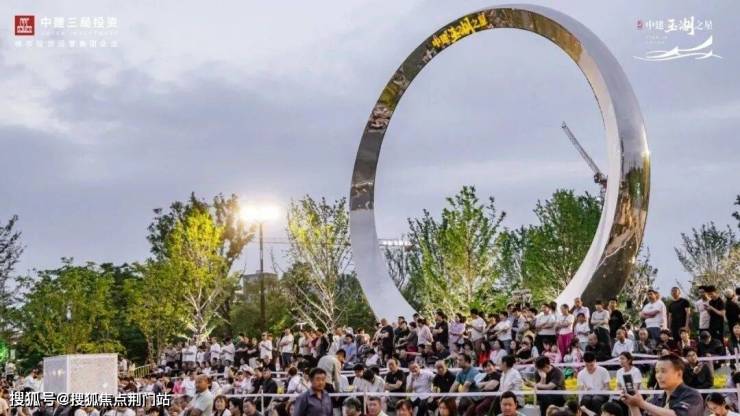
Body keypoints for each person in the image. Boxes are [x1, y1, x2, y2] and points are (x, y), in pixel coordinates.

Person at [621, 354, 703, 416]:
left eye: (663, 371)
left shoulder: (692, 396)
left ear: (679, 374)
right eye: (657, 371)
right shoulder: (656, 399)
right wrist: (633, 405)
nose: (658, 376)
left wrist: (641, 404)